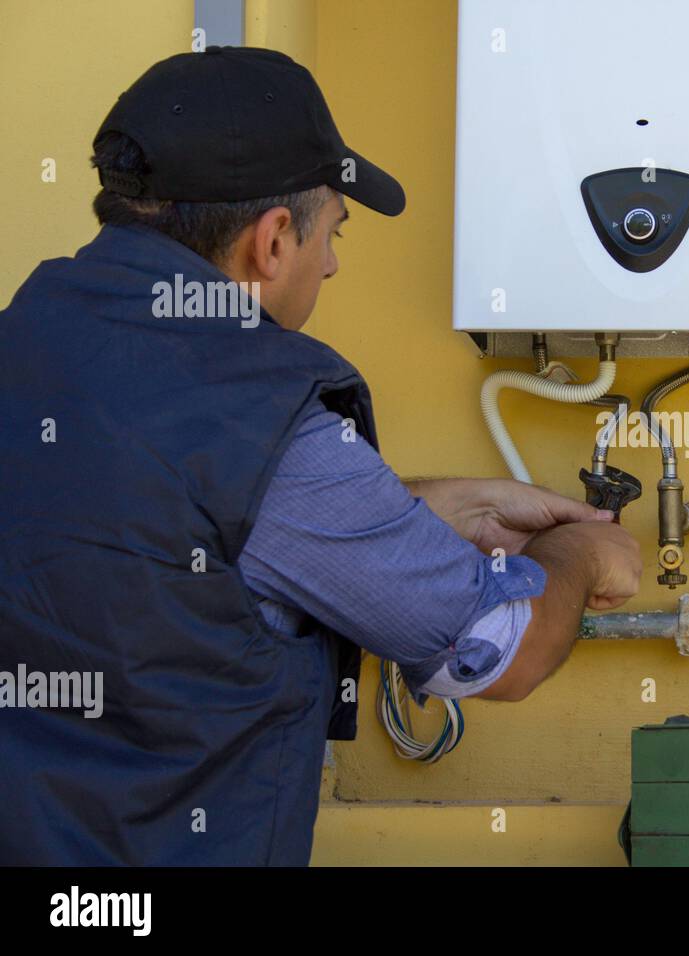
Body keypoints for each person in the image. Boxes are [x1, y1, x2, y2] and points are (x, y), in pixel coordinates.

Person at [0, 46, 641, 865]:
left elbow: (168, 519)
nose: (332, 263)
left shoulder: (28, 343)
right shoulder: (252, 406)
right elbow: (494, 650)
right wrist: (581, 555)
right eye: (334, 232)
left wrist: (427, 510)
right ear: (272, 242)